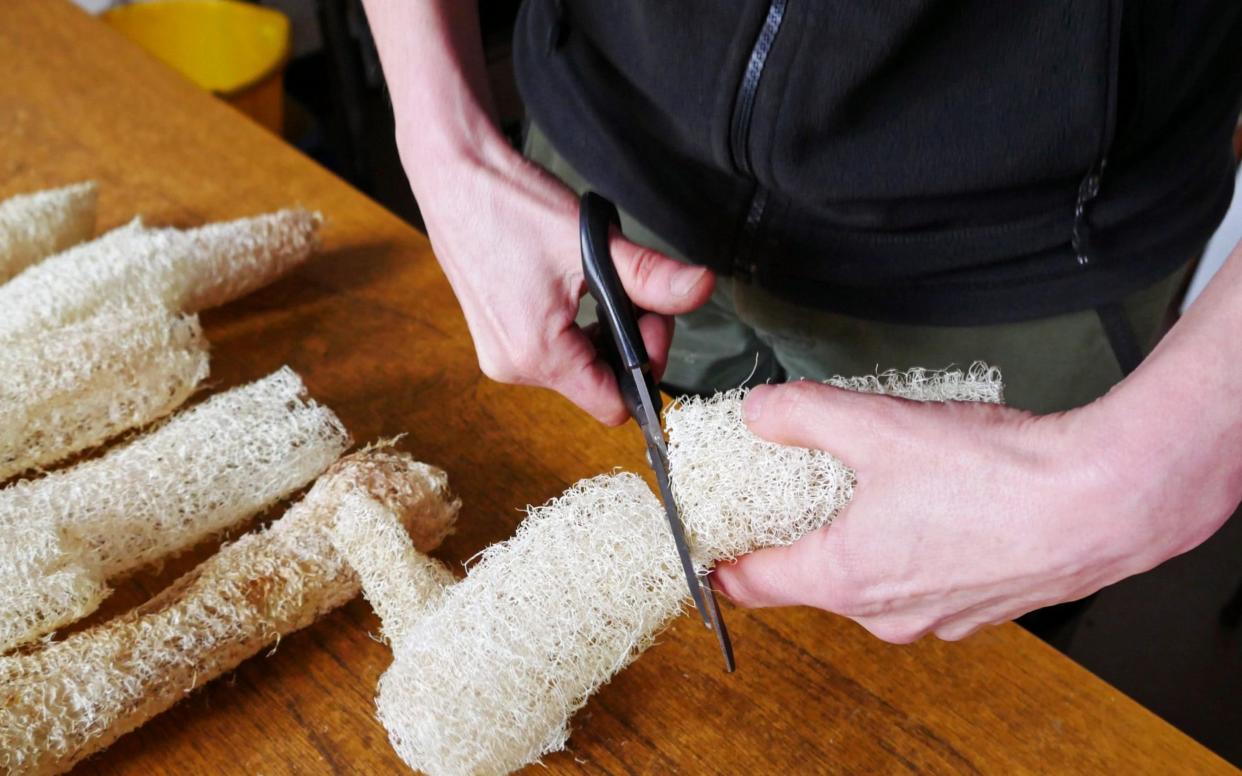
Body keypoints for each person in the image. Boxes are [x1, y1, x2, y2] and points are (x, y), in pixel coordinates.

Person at [361, 1, 1242, 643]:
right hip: (604, 175)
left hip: (1029, 272)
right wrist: (442, 134)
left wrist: (1143, 473)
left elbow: (1137, 480)